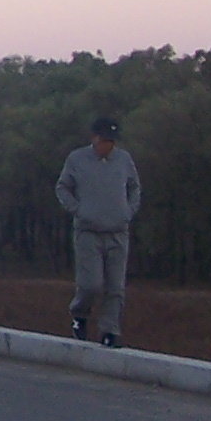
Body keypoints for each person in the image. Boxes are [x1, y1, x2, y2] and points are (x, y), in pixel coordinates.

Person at [56, 116, 142, 348]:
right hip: (88, 232)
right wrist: (78, 210)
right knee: (91, 284)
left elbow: (135, 187)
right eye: (104, 140)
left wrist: (129, 211)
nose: (108, 146)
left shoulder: (123, 159)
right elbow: (63, 187)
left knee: (115, 287)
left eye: (112, 141)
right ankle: (79, 315)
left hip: (118, 231)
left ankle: (109, 331)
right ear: (94, 138)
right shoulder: (77, 159)